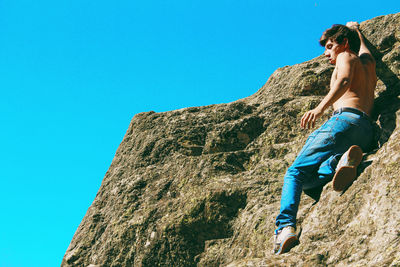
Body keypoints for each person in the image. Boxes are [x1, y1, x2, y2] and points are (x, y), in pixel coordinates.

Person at [273, 21, 377, 255]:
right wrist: (358, 31)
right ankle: (339, 161)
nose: (326, 52)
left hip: (343, 120)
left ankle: (285, 227)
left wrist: (320, 108)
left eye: (330, 46)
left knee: (294, 173)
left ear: (344, 44)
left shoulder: (345, 55)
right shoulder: (368, 63)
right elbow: (366, 51)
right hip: (365, 130)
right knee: (308, 182)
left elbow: (344, 81)